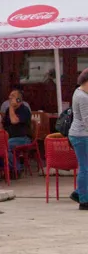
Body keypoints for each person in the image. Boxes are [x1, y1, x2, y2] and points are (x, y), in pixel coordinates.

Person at [0, 89, 33, 176]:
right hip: (10, 138)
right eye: (10, 96)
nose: (10, 97)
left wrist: (11, 107)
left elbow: (14, 121)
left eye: (13, 96)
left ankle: (17, 169)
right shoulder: (7, 111)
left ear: (19, 99)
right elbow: (2, 125)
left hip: (23, 138)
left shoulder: (24, 110)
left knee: (5, 146)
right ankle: (9, 168)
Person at [68, 67, 88, 210]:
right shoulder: (83, 97)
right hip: (82, 135)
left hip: (78, 134)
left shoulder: (79, 92)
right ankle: (84, 200)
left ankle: (79, 193)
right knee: (85, 168)